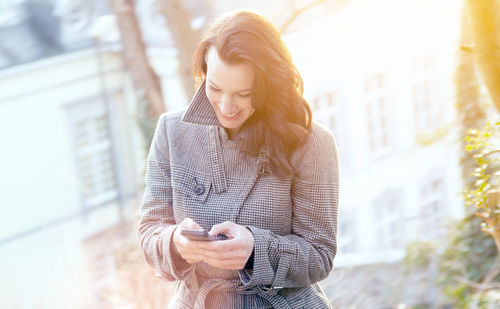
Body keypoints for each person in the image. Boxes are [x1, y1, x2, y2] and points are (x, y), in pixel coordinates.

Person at [138, 10, 339, 309]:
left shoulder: (311, 144)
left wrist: (256, 250)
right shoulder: (172, 132)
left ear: (269, 86)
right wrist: (176, 241)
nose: (226, 106)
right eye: (215, 88)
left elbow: (320, 255)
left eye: (243, 93)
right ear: (204, 72)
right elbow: (149, 232)